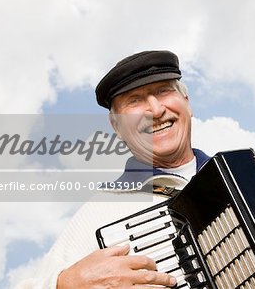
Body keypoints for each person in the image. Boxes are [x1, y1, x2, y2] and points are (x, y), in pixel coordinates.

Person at [17, 50, 210, 288]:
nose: (156, 110)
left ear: (187, 103)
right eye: (135, 101)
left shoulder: (253, 176)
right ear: (117, 127)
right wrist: (66, 284)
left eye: (163, 91)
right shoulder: (100, 211)